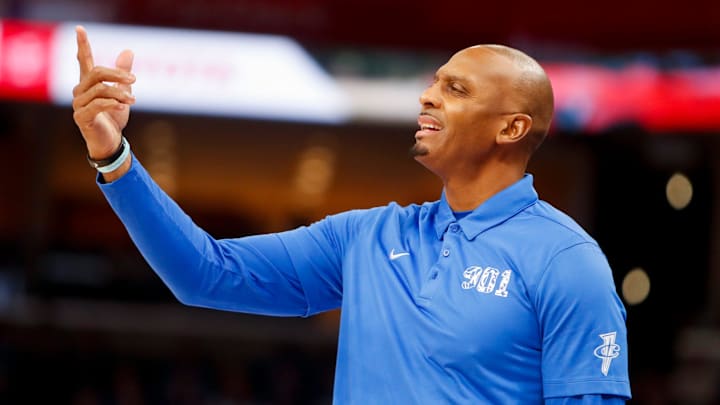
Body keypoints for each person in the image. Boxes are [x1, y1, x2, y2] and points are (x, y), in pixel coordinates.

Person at [72, 25, 631, 403]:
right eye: (433, 83)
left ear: (511, 128)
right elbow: (204, 273)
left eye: (455, 89)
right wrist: (113, 157)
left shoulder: (567, 261)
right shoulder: (367, 237)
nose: (428, 97)